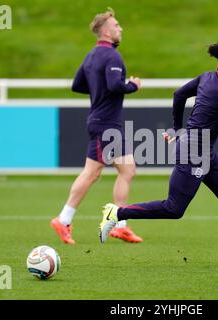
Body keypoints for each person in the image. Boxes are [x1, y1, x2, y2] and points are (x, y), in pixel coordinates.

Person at [98, 33, 218, 266]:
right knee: (174, 208)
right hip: (194, 151)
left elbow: (178, 95)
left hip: (204, 149)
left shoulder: (206, 78)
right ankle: (117, 213)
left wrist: (176, 128)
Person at [51, 8, 143, 244]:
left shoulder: (92, 55)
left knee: (110, 171)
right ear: (105, 31)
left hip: (99, 120)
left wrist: (98, 89)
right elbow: (114, 86)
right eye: (116, 25)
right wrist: (132, 85)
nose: (120, 28)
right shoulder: (112, 56)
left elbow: (77, 85)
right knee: (113, 171)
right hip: (106, 124)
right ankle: (111, 223)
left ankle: (72, 220)